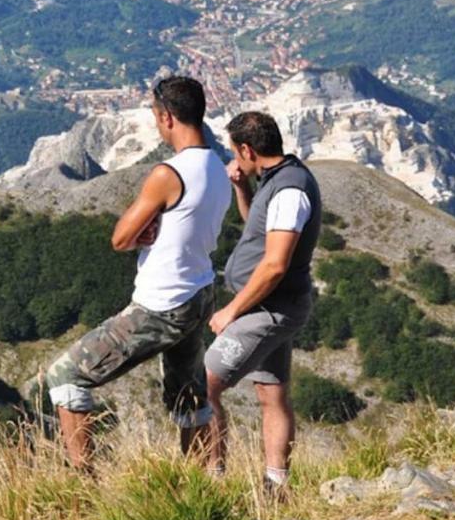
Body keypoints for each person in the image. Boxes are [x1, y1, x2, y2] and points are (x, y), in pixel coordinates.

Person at [43, 76, 231, 471]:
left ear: (167, 118)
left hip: (161, 303)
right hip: (199, 294)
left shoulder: (169, 174)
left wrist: (146, 227)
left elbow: (121, 238)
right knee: (188, 398)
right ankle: (198, 487)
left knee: (66, 375)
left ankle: (82, 486)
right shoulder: (217, 166)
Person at [205, 111, 321, 494]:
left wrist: (231, 310)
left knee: (202, 387)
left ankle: (211, 479)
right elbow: (257, 227)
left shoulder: (290, 190)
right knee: (271, 394)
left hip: (270, 309)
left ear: (247, 149)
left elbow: (274, 265)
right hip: (269, 305)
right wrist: (242, 189)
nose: (234, 162)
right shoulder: (276, 180)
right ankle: (276, 488)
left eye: (236, 154)